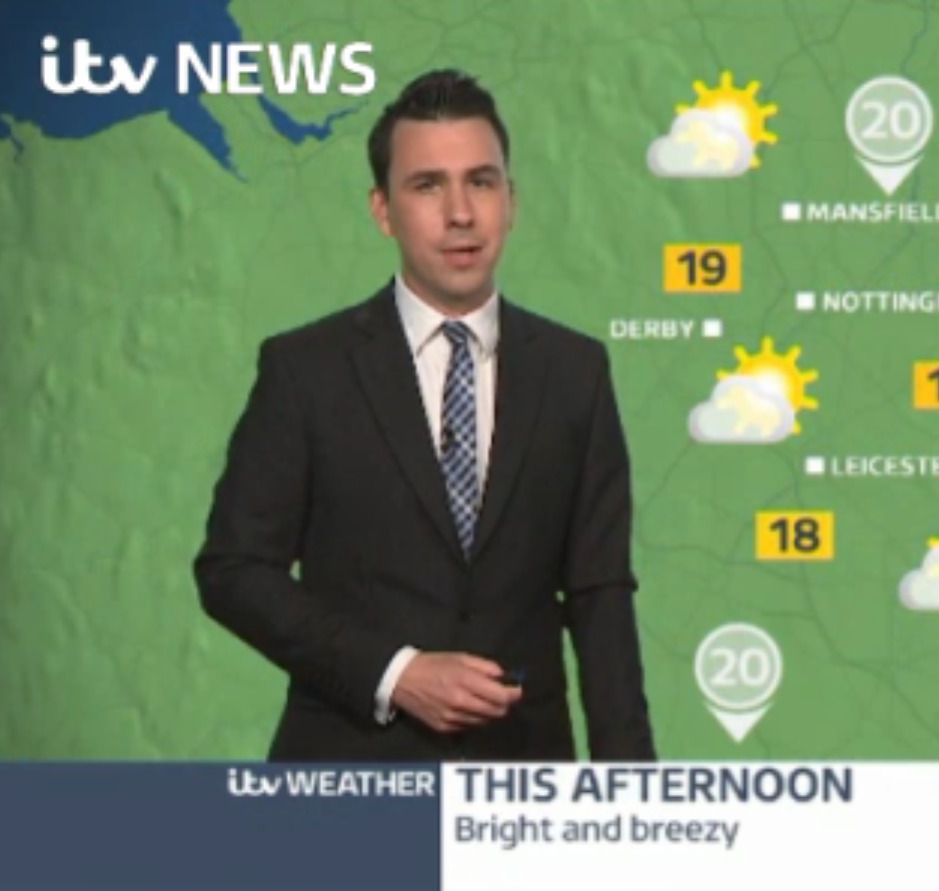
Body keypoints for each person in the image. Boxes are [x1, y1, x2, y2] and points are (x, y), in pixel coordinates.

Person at [193, 69, 655, 762]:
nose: (460, 213)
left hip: (522, 776)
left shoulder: (574, 372)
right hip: (349, 772)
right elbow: (234, 570)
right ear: (383, 210)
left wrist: (635, 792)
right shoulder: (306, 370)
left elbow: (600, 594)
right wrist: (395, 672)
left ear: (511, 201)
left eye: (481, 182)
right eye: (428, 186)